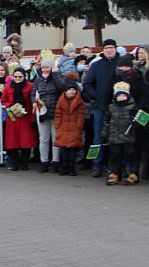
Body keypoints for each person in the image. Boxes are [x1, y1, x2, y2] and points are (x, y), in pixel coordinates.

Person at [81, 39, 119, 177]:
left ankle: (115, 166)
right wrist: (95, 96)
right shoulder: (96, 65)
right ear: (103, 50)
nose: (109, 50)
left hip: (118, 108)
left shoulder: (120, 64)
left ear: (116, 49)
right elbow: (87, 84)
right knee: (98, 138)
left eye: (111, 47)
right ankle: (97, 165)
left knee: (116, 138)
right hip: (100, 106)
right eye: (107, 47)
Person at [32, 56, 65, 172]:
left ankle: (55, 161)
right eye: (44, 67)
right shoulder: (37, 80)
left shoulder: (58, 77)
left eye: (48, 67)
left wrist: (55, 74)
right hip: (42, 112)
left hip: (56, 112)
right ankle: (44, 161)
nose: (45, 70)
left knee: (55, 139)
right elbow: (33, 94)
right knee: (44, 139)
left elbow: (62, 88)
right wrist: (34, 103)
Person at [103, 82, 139, 185]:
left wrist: (137, 125)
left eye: (124, 95)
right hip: (114, 136)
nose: (121, 97)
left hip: (129, 136)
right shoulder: (111, 107)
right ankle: (114, 174)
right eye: (119, 95)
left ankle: (133, 174)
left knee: (131, 155)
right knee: (115, 155)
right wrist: (105, 133)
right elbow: (106, 121)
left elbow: (140, 119)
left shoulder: (133, 107)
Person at [2, 67, 37, 171]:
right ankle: (15, 164)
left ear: (24, 76)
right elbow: (3, 101)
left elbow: (32, 101)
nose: (17, 78)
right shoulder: (8, 87)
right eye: (15, 76)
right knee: (13, 141)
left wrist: (32, 117)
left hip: (26, 116)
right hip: (12, 117)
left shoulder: (30, 86)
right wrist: (11, 105)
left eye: (20, 76)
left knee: (26, 141)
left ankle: (25, 163)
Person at [53, 78, 86, 176]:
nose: (72, 91)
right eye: (70, 89)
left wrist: (79, 126)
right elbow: (58, 114)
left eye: (74, 89)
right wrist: (58, 125)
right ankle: (64, 167)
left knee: (73, 150)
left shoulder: (79, 101)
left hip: (74, 127)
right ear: (66, 90)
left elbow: (81, 115)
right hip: (63, 127)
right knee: (64, 149)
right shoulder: (61, 100)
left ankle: (72, 167)